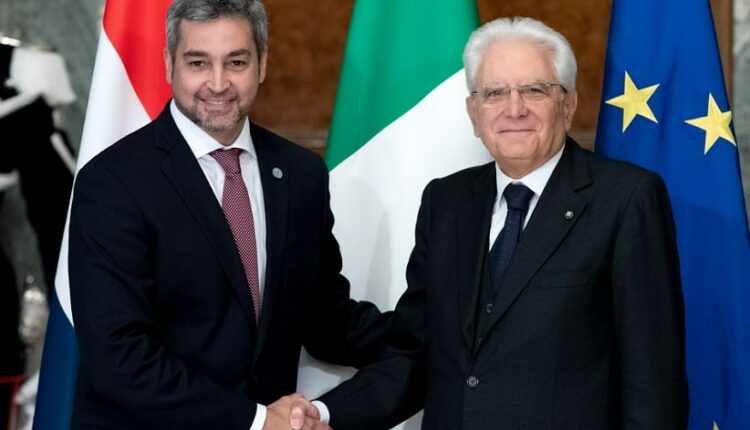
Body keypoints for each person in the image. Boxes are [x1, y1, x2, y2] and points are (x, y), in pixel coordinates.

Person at [292, 16, 689, 429]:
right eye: (495, 93)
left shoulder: (625, 199)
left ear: (568, 105)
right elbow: (416, 355)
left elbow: (653, 382)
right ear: (473, 112)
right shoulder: (445, 203)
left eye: (534, 90)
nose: (513, 109)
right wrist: (323, 412)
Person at [67, 1, 389, 429]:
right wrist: (255, 421)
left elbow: (325, 318)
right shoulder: (111, 183)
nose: (217, 84)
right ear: (169, 64)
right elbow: (119, 358)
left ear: (262, 63)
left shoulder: (300, 174)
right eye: (198, 62)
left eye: (236, 61)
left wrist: (443, 327)